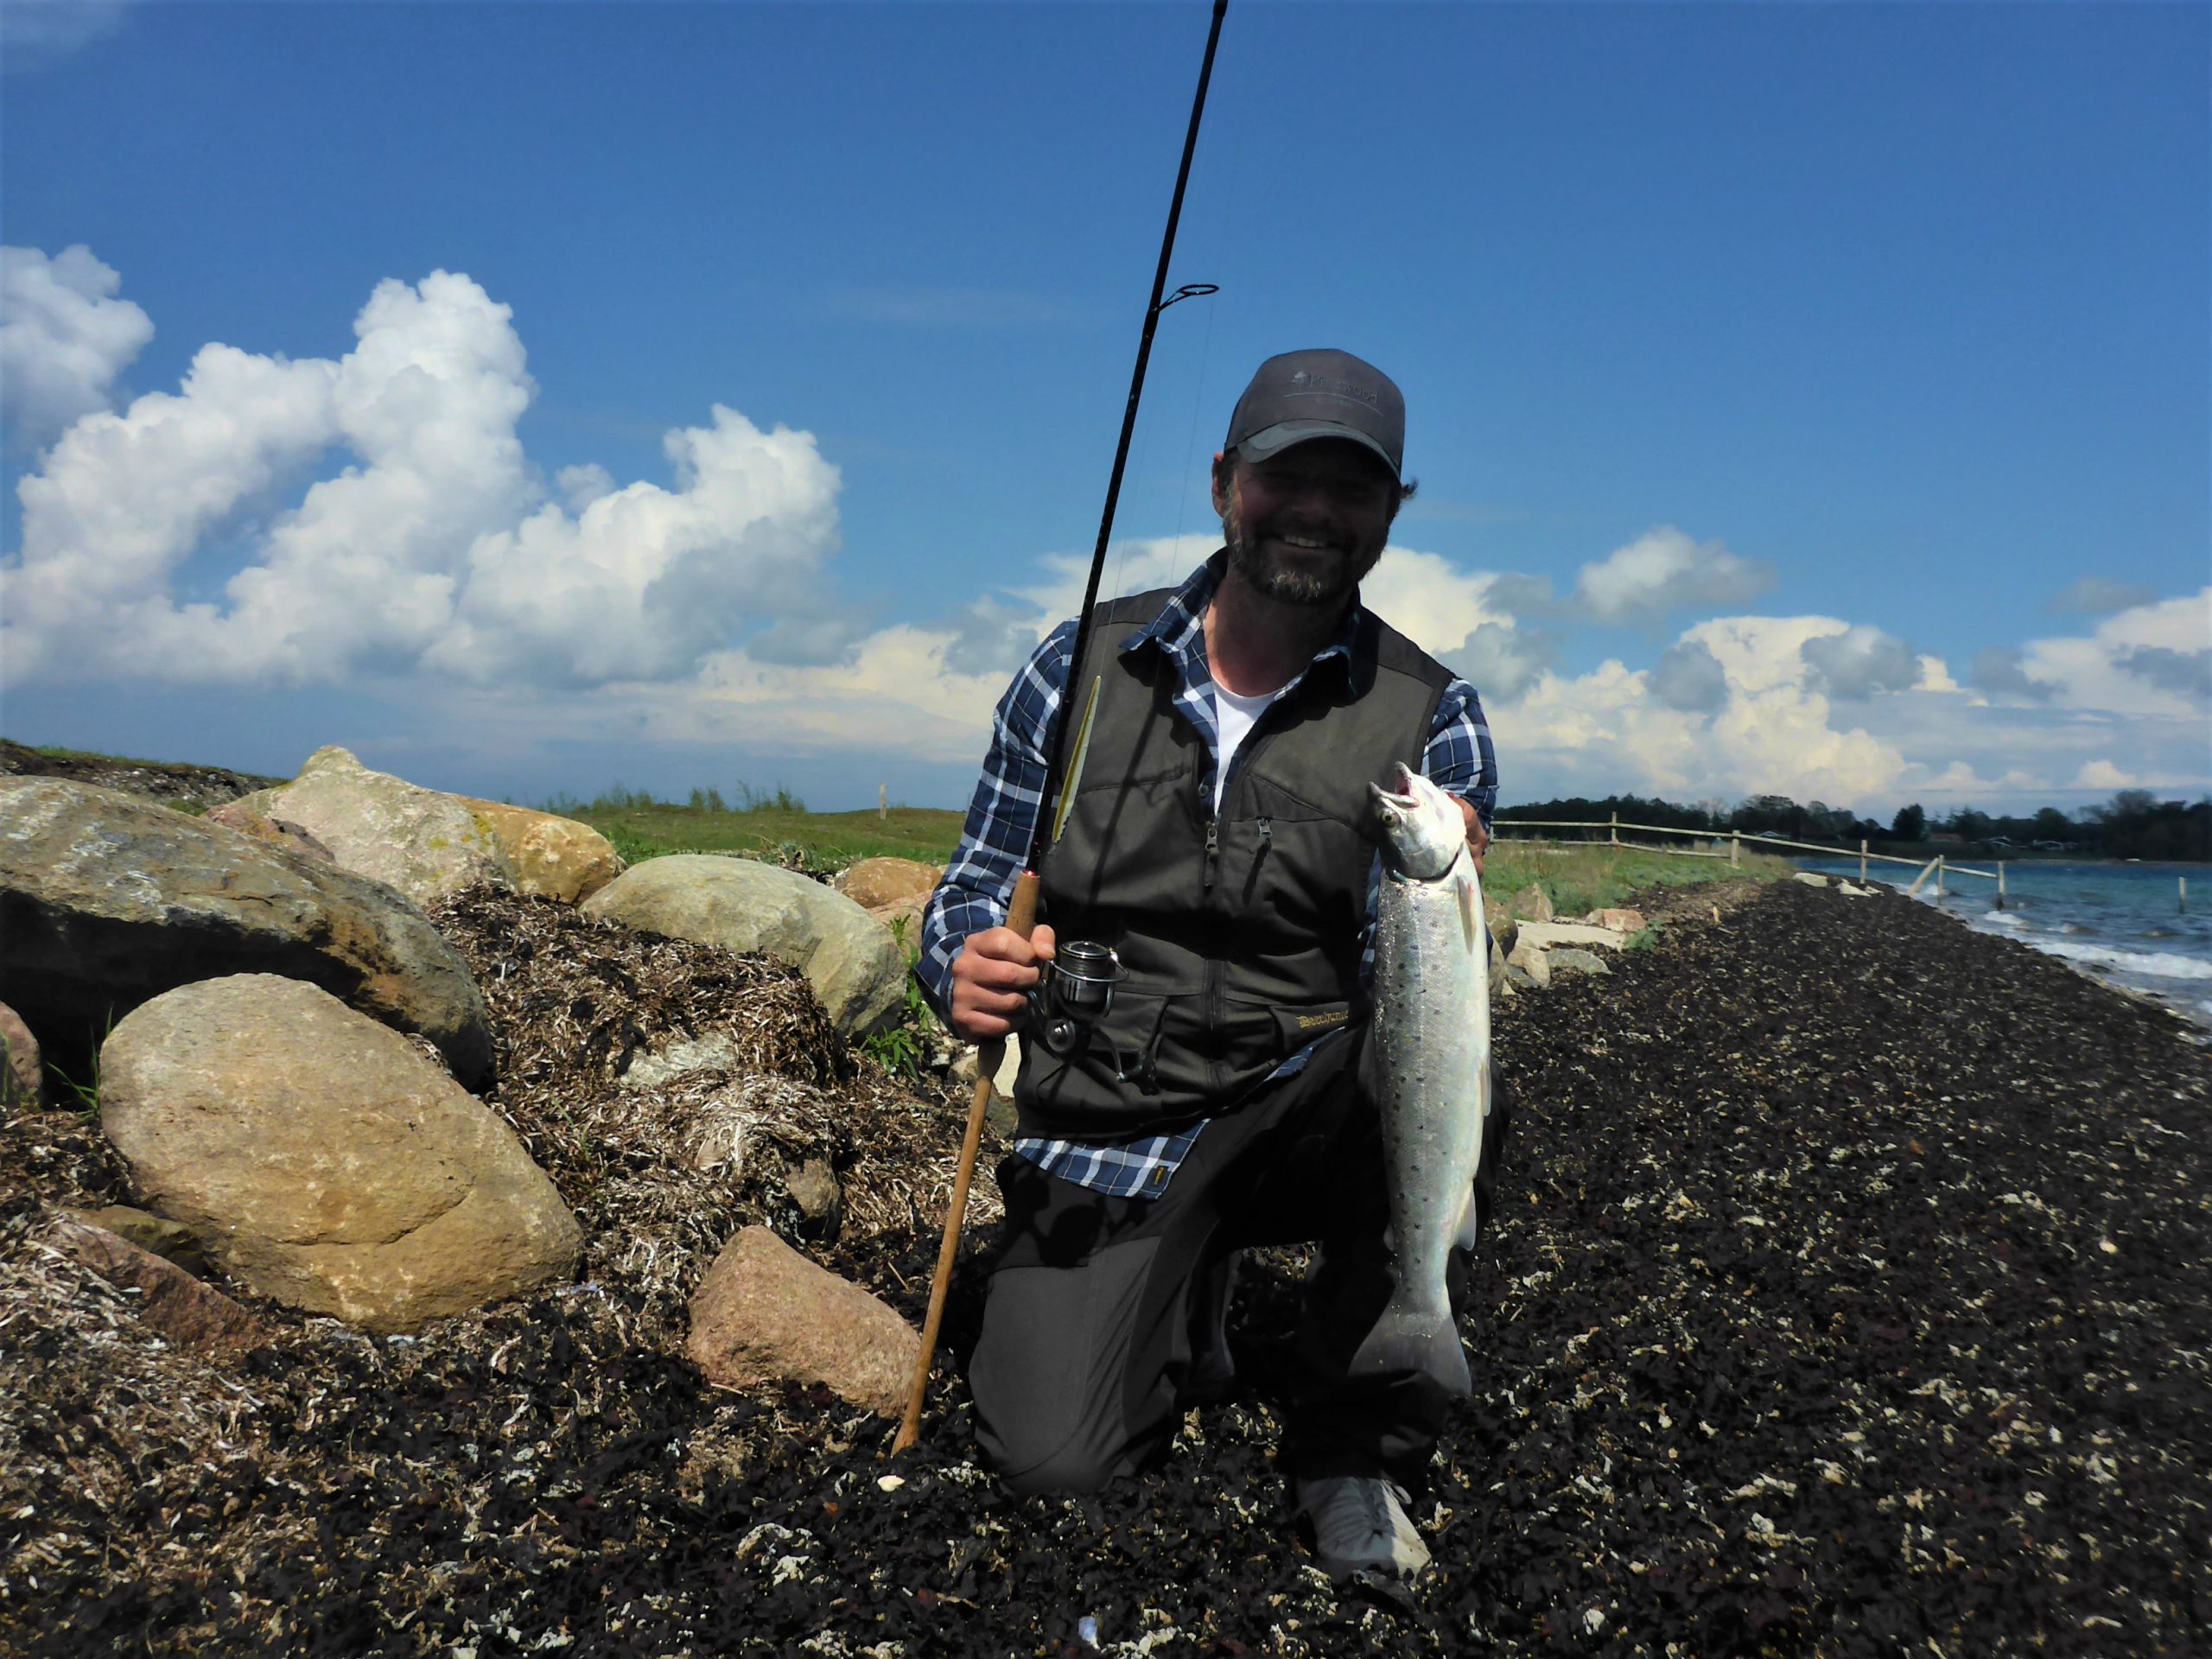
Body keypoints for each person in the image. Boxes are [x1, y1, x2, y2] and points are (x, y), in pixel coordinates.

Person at [917, 348, 1502, 1583]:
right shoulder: (1077, 668)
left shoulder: (1434, 716)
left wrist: (1460, 886)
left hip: (1303, 1096)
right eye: (1288, 477)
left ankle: (1354, 1442)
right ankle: (1186, 1280)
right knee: (1056, 1465)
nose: (1316, 512)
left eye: (1354, 489)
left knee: (1455, 1089)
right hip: (1116, 1109)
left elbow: (1432, 985)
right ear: (1227, 482)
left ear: (1392, 513)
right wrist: (955, 959)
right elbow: (975, 878)